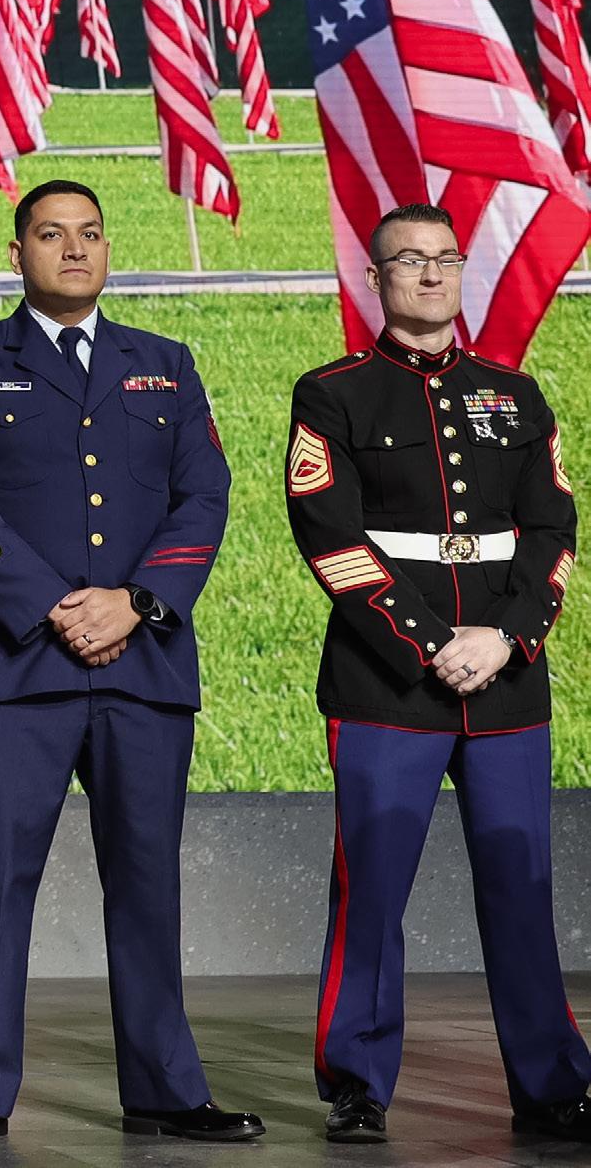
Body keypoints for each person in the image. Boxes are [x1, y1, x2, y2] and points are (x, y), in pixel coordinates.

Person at [0, 180, 259, 1146]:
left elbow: (203, 496)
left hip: (142, 664)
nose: (74, 249)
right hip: (15, 667)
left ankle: (164, 1089)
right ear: (16, 252)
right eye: (51, 234)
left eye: (91, 233)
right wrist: (54, 607)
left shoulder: (164, 364)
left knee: (147, 883)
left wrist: (136, 601)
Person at [288, 203, 591, 1145]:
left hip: (506, 681)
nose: (429, 274)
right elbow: (329, 537)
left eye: (444, 258)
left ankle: (552, 1086)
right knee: (371, 890)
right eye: (407, 260)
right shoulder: (331, 394)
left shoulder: (515, 393)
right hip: (387, 682)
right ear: (374, 279)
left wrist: (506, 638)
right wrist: (429, 642)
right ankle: (356, 1083)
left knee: (520, 887)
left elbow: (553, 531)